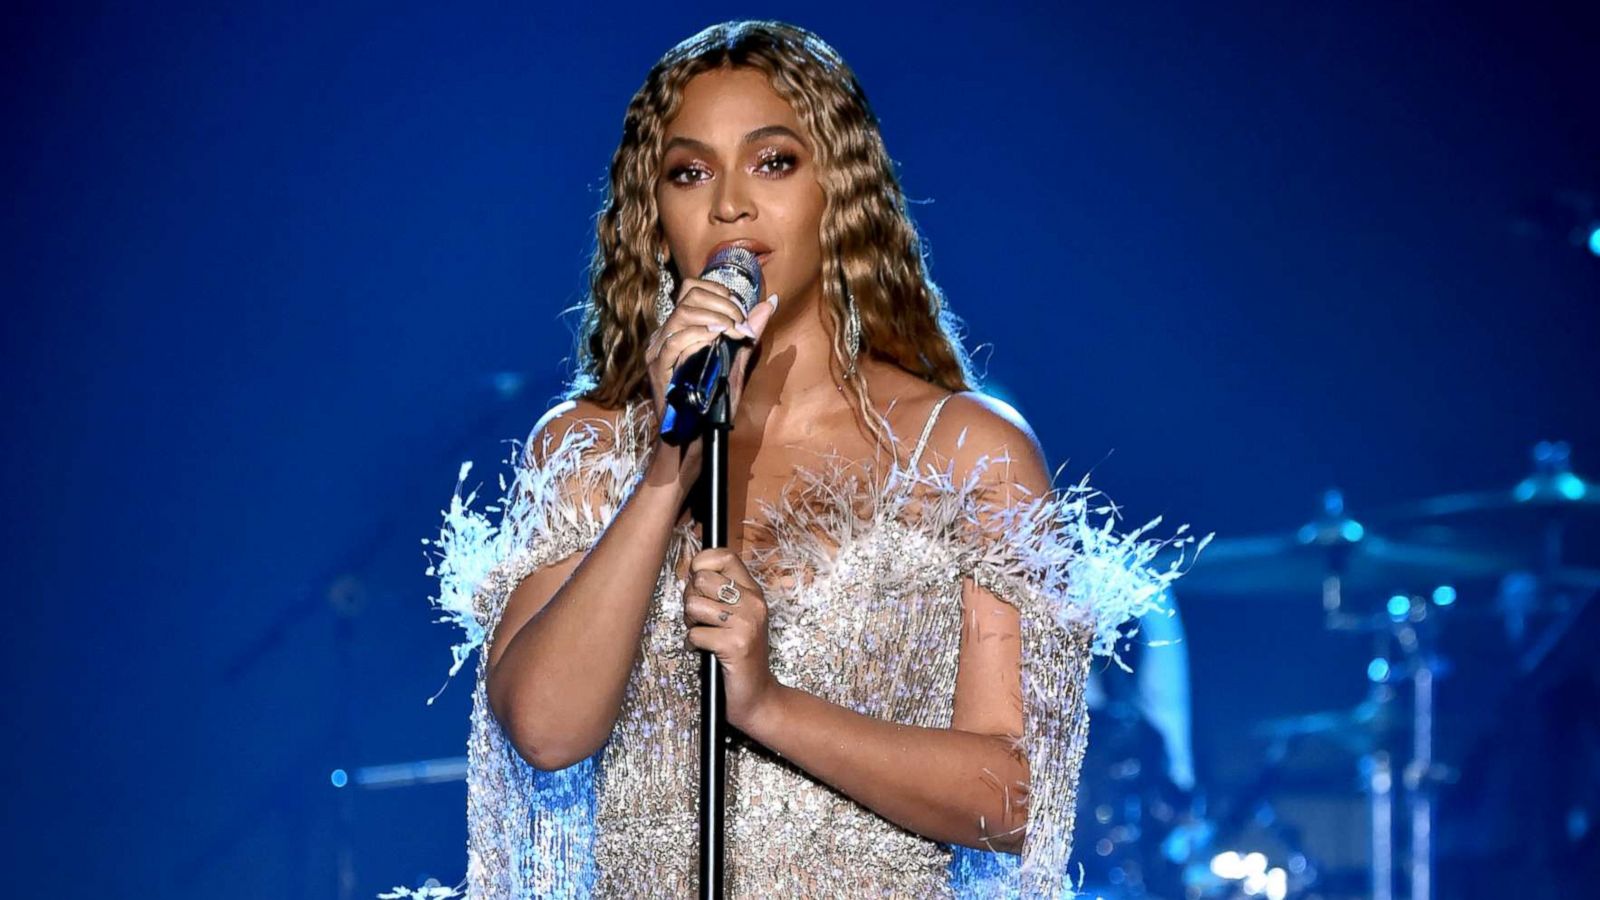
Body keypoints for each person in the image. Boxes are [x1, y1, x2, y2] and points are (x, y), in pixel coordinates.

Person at [402, 20, 1204, 900]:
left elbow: (1015, 794)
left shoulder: (968, 451)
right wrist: (670, 459)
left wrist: (766, 704)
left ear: (841, 194)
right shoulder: (591, 448)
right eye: (689, 172)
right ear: (654, 216)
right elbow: (546, 729)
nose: (730, 206)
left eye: (774, 161)